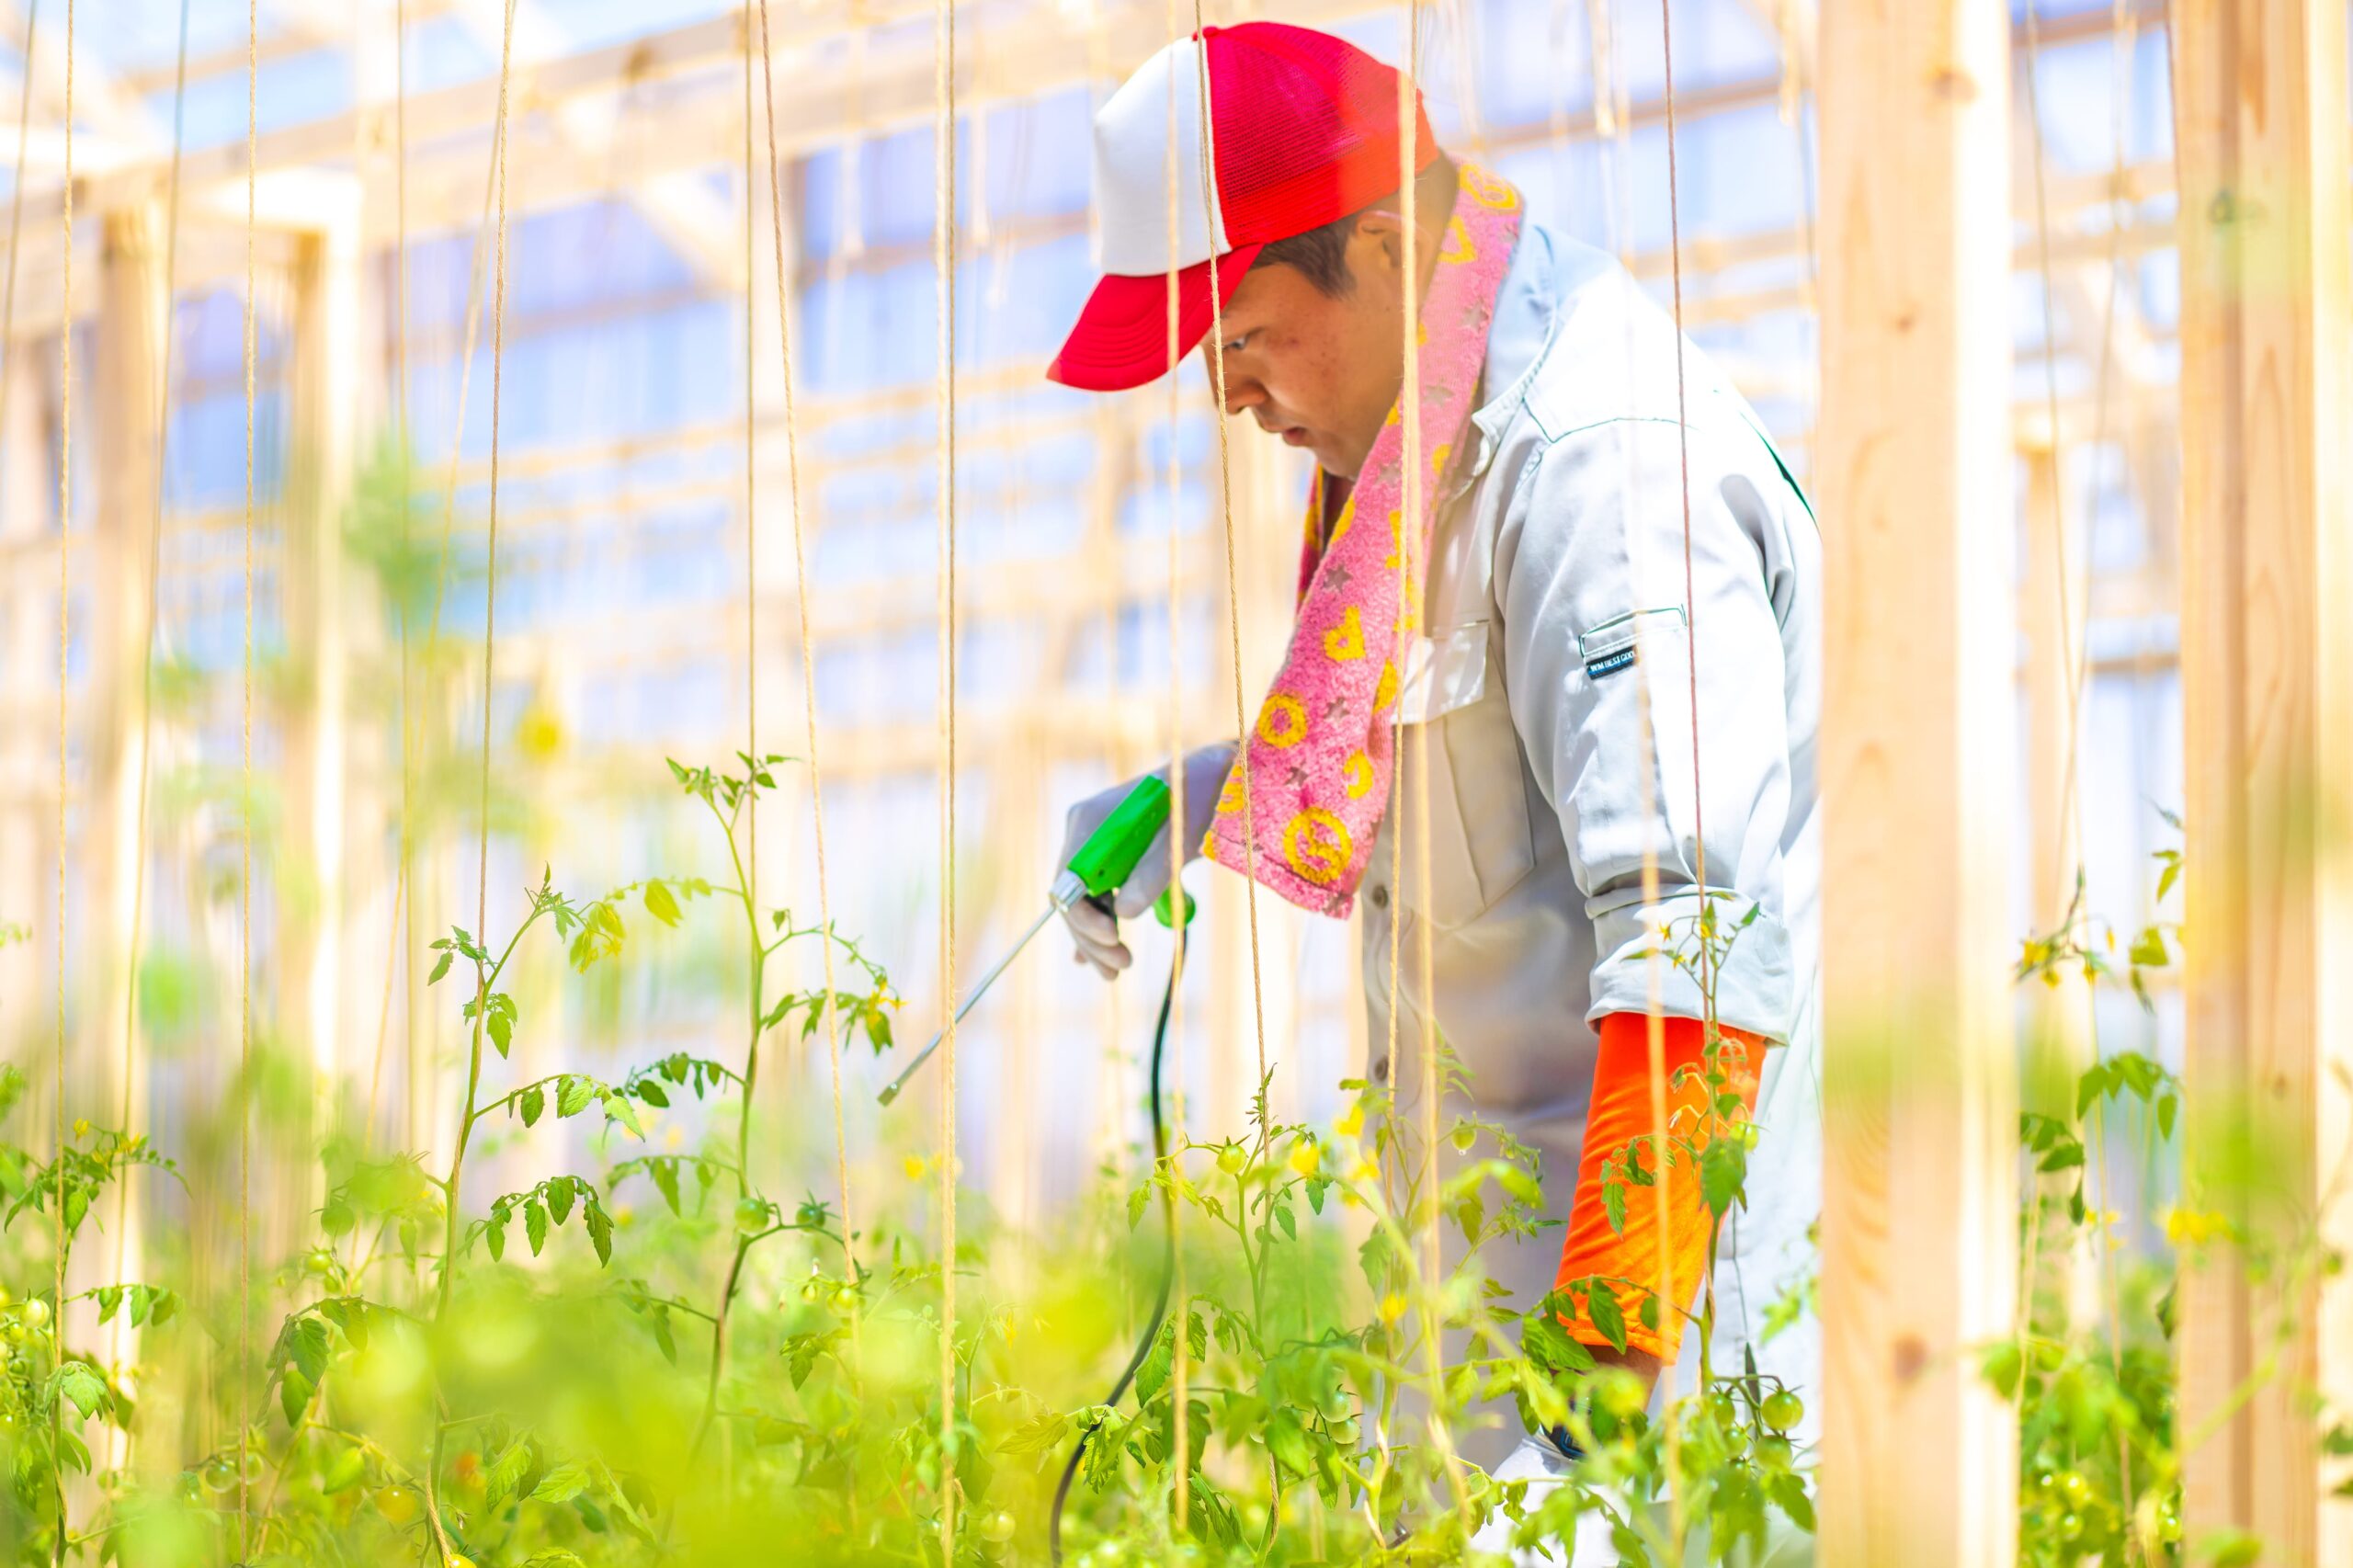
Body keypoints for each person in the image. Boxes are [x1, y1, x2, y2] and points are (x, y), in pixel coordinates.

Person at [1044, 21, 1821, 1554]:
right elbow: (1467, 753)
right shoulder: (1425, 453)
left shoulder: (1600, 468)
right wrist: (1197, 798)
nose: (1229, 398)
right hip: (1492, 1390)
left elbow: (1697, 944)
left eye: (1246, 339)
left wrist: (1591, 1426)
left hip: (1649, 1411)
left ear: (1387, 249)